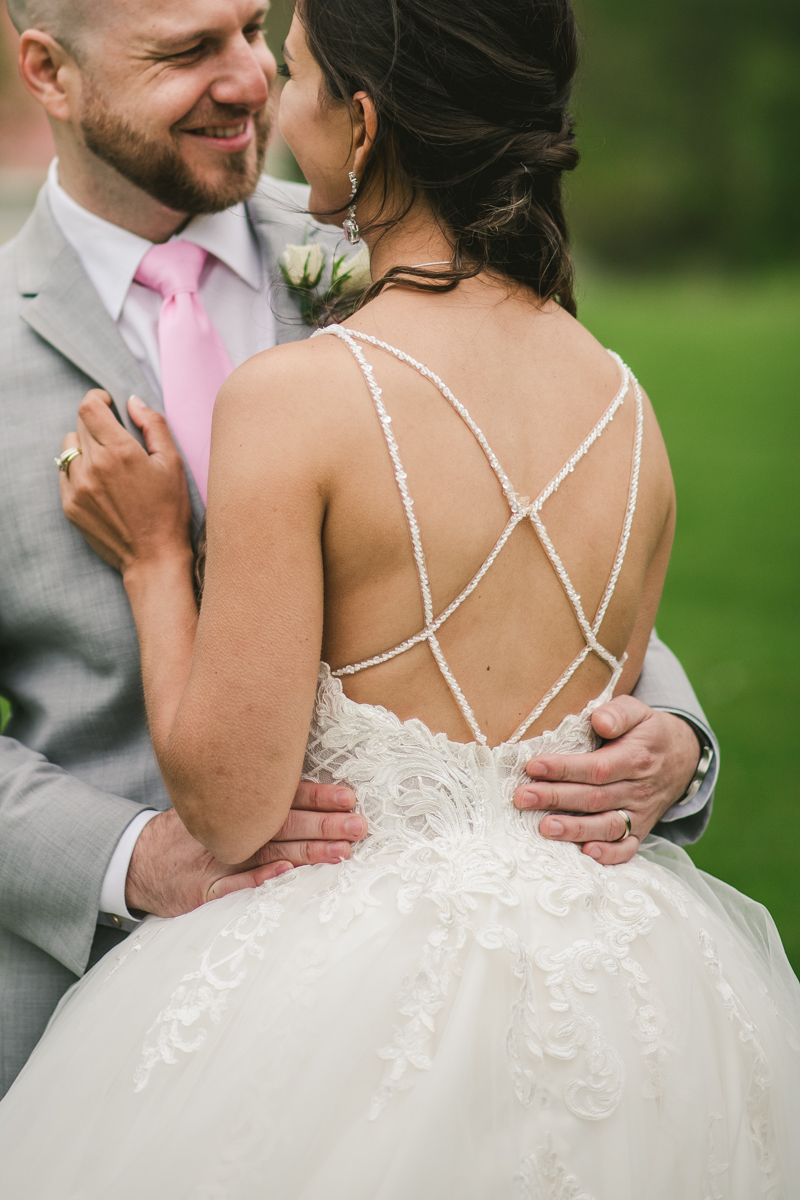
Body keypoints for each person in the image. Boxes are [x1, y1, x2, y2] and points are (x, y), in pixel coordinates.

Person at [2, 0, 798, 1194]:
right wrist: (123, 857)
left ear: (358, 121)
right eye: (185, 54)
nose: (249, 82)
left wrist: (669, 738)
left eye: (256, 33)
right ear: (46, 72)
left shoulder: (364, 265)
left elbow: (516, 539)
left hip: (439, 1001)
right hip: (105, 1019)